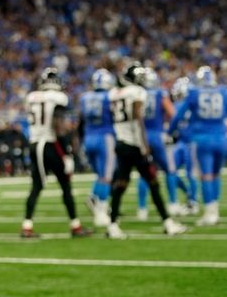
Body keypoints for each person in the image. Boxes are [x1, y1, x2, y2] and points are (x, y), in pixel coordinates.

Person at [106, 62, 186, 239]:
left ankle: (112, 224)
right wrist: (143, 144)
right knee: (153, 182)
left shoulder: (113, 93)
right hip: (134, 143)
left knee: (121, 184)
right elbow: (137, 119)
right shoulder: (136, 92)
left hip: (121, 141)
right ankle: (168, 222)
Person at [21, 68, 90, 238]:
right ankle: (75, 225)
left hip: (34, 144)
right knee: (65, 186)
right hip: (52, 145)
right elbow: (58, 125)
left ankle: (27, 225)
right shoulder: (58, 98)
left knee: (36, 186)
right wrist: (66, 153)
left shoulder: (32, 97)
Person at [168, 66, 226, 226]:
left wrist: (170, 131)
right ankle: (215, 209)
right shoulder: (223, 92)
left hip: (202, 139)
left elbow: (179, 115)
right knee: (215, 175)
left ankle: (209, 212)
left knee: (205, 175)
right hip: (221, 138)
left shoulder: (194, 93)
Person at [136, 67, 187, 219]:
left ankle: (142, 208)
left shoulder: (138, 94)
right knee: (170, 170)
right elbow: (172, 114)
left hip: (142, 136)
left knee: (144, 172)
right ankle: (173, 204)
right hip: (157, 136)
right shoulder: (160, 93)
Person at [79, 68, 116, 227]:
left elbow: (81, 121)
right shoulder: (110, 96)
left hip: (88, 138)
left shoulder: (84, 97)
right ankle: (101, 212)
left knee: (100, 175)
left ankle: (94, 198)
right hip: (105, 137)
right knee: (106, 177)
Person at [169, 77, 199, 214]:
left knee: (190, 174)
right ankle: (188, 193)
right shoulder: (179, 106)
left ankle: (192, 203)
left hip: (191, 143)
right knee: (171, 171)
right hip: (181, 142)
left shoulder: (191, 106)